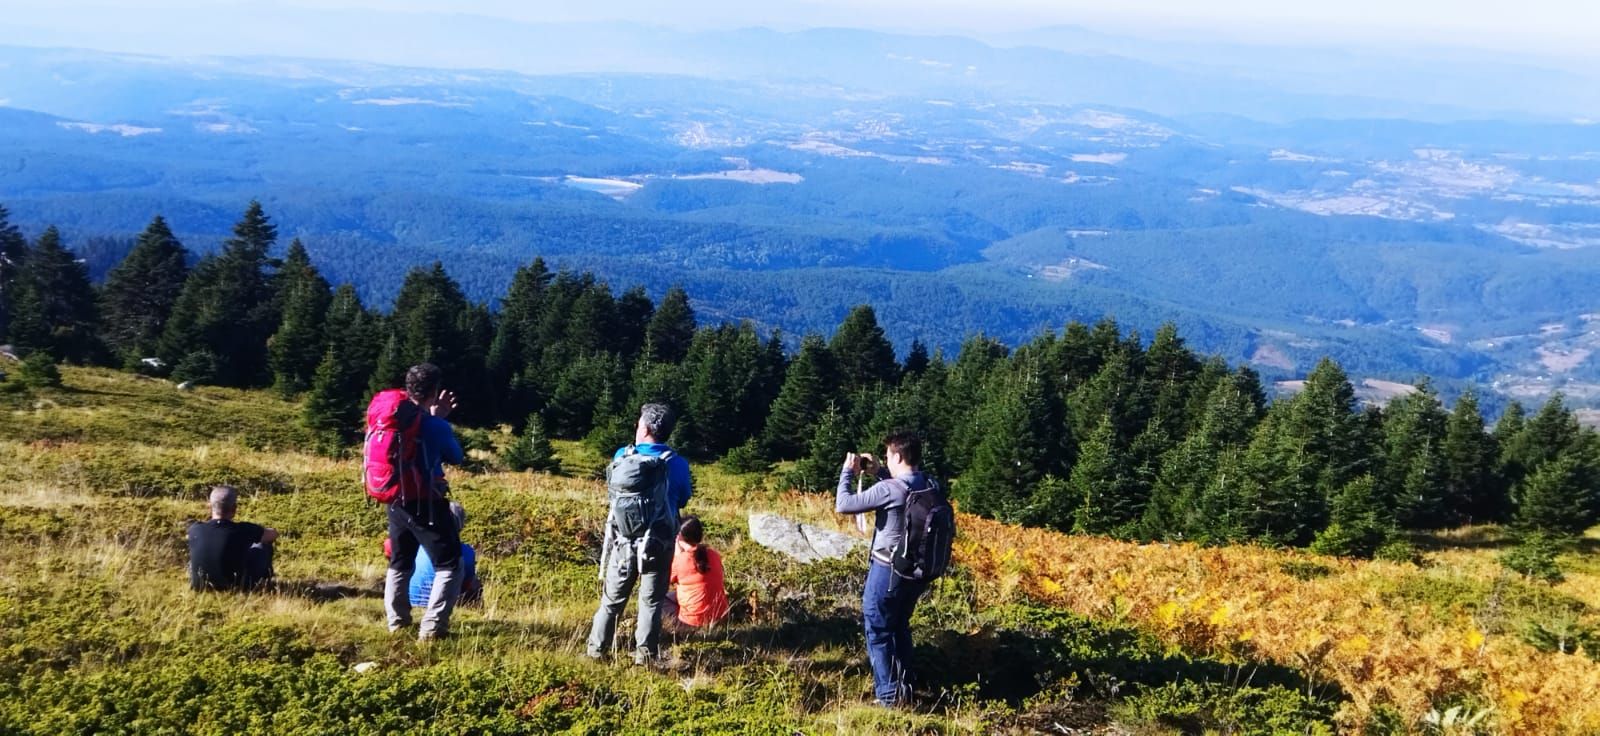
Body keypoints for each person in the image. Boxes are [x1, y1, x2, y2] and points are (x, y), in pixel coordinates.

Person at [586, 402, 693, 664]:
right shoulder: (677, 464)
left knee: (612, 601)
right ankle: (645, 657)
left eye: (639, 423)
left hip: (623, 541)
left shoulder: (622, 455)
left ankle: (596, 652)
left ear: (644, 429)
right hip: (658, 543)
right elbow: (682, 499)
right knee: (651, 602)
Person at [835, 430, 934, 707]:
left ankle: (889, 697)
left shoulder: (888, 489)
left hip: (886, 569)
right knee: (899, 626)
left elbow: (844, 505)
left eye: (889, 456)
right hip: (916, 571)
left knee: (878, 629)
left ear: (898, 457)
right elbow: (900, 491)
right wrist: (878, 471)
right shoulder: (929, 483)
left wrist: (847, 472)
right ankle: (906, 688)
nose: (887, 460)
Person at [383, 363, 466, 641]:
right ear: (433, 391)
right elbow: (456, 456)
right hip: (425, 502)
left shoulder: (394, 418)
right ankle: (432, 629)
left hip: (395, 498)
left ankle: (397, 624)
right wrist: (439, 420)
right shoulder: (434, 425)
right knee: (450, 564)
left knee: (400, 561)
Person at [383, 500, 481, 606]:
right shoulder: (466, 552)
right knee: (475, 583)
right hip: (439, 606)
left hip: (409, 601)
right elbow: (467, 584)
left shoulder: (414, 543)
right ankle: (472, 610)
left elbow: (388, 546)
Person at [188, 485, 278, 592]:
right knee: (262, 546)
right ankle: (263, 583)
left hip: (200, 586)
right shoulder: (243, 529)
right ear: (234, 508)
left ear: (210, 506)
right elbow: (273, 534)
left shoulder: (195, 529)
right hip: (236, 586)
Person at [664, 515, 730, 631]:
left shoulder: (681, 560)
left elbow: (665, 580)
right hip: (720, 617)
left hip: (692, 622)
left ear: (679, 536)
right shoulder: (714, 554)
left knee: (657, 600)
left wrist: (676, 555)